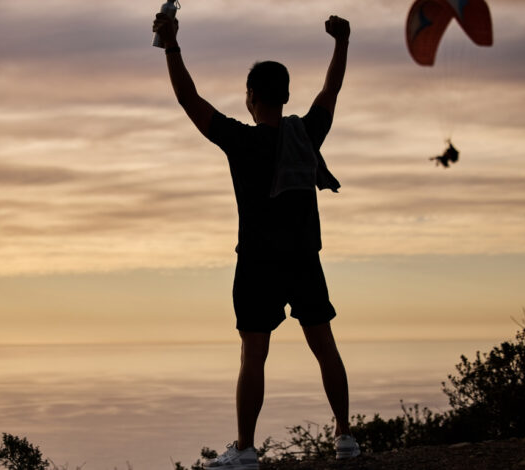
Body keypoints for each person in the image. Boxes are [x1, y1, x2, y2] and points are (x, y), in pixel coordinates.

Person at [152, 11, 361, 469]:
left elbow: (190, 99)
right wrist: (342, 41)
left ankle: (246, 450)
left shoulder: (241, 142)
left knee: (253, 355)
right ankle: (344, 436)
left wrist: (171, 44)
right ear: (286, 97)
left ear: (251, 98)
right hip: (305, 257)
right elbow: (332, 89)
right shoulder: (307, 133)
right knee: (324, 344)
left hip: (258, 263)